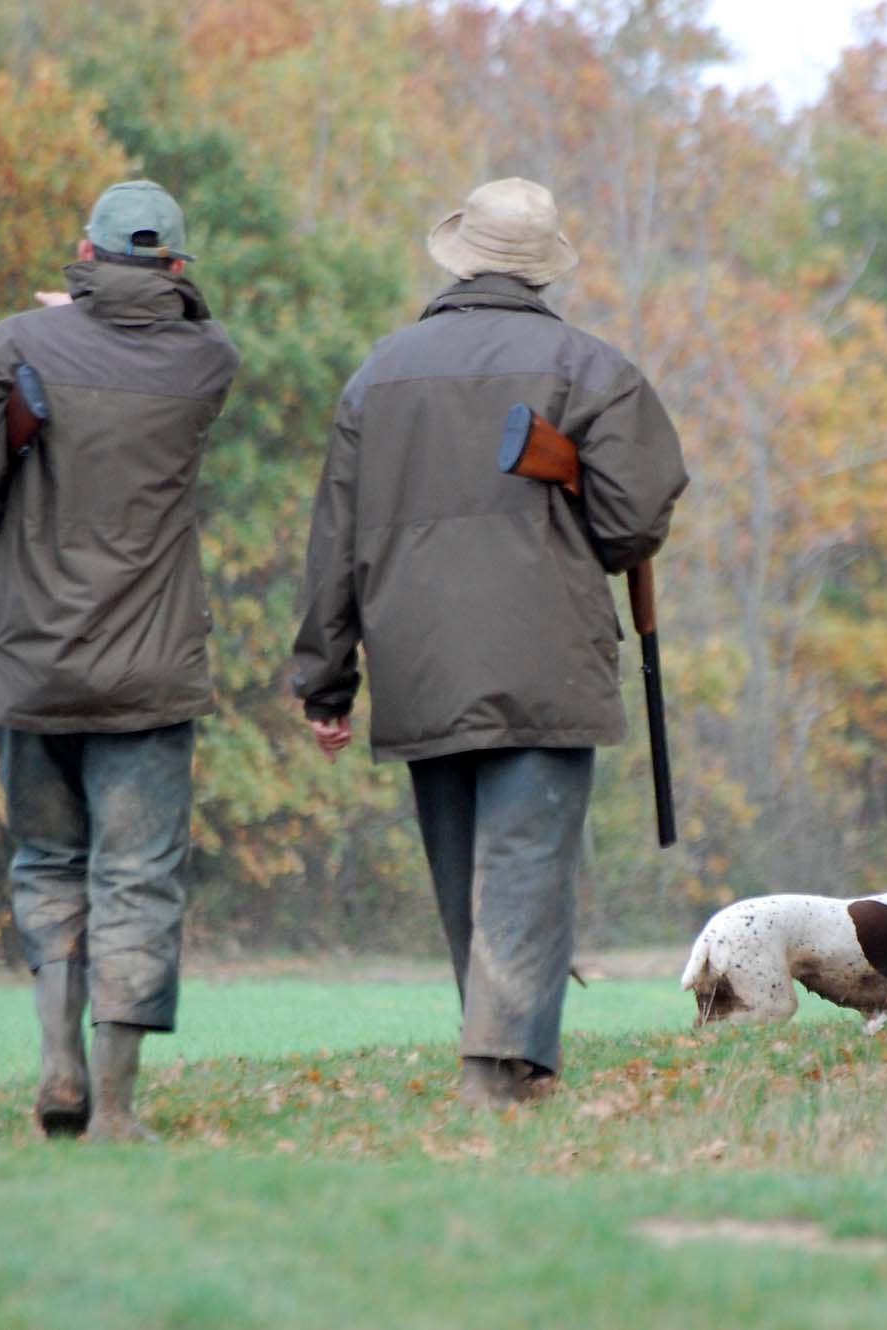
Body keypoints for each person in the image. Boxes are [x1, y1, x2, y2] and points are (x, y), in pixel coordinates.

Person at [290, 177, 688, 1108]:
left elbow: (333, 543)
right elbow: (631, 527)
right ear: (543, 270)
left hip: (417, 662)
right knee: (526, 865)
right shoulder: (594, 369)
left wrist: (325, 681)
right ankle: (497, 1067)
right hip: (547, 661)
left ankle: (506, 1057)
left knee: (463, 867)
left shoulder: (377, 375)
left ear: (461, 260)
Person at [0, 180, 240, 1142]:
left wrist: (2, 525)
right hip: (150, 671)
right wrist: (114, 307)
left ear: (86, 252)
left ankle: (58, 1067)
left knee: (49, 861)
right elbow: (182, 331)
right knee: (136, 877)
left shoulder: (16, 344)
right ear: (176, 266)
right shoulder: (209, 360)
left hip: (36, 661)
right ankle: (117, 1111)